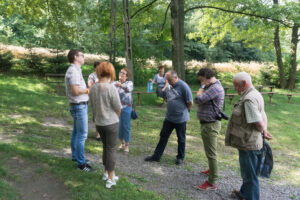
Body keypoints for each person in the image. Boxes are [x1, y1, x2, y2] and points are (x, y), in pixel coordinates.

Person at [225, 72, 273, 200]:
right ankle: (244, 194)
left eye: (236, 85)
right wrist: (264, 130)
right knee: (248, 173)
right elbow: (263, 114)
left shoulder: (249, 99)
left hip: (249, 144)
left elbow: (258, 121)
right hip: (250, 141)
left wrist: (262, 129)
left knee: (250, 175)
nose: (235, 88)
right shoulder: (256, 94)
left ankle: (251, 197)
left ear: (244, 83)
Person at [145, 70, 193, 165]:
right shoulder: (169, 85)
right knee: (163, 136)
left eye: (170, 80)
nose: (168, 81)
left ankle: (180, 157)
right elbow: (167, 97)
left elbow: (190, 102)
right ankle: (156, 156)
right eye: (167, 80)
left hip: (180, 119)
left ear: (176, 77)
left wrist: (184, 110)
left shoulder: (184, 86)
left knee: (181, 138)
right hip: (169, 117)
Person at [89, 61, 122, 189]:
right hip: (111, 123)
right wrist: (115, 116)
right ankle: (111, 178)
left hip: (99, 123)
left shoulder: (93, 87)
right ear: (110, 72)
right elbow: (118, 107)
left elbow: (92, 105)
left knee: (106, 147)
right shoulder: (110, 87)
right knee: (111, 149)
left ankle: (106, 173)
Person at [194, 68, 224, 190]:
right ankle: (212, 170)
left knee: (211, 154)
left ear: (206, 76)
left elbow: (198, 100)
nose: (202, 83)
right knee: (209, 151)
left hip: (211, 125)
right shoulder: (211, 86)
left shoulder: (214, 88)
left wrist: (200, 90)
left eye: (202, 80)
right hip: (207, 124)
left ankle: (212, 182)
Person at [65, 49, 94, 172]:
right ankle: (81, 164)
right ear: (76, 57)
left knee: (76, 133)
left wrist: (87, 88)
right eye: (82, 55)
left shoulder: (76, 70)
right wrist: (88, 90)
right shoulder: (73, 71)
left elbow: (77, 89)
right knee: (82, 135)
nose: (84, 57)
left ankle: (76, 157)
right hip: (79, 106)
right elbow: (75, 91)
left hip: (78, 105)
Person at [113, 68, 133, 153]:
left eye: (124, 73)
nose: (121, 74)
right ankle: (122, 143)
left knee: (126, 127)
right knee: (118, 127)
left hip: (126, 108)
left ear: (127, 76)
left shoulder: (129, 83)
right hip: (116, 109)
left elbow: (128, 89)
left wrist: (120, 85)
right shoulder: (114, 83)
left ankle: (127, 145)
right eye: (120, 72)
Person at [88, 61, 101, 141]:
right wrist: (97, 83)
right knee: (96, 116)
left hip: (105, 98)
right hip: (95, 98)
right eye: (97, 67)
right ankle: (97, 134)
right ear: (95, 67)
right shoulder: (92, 75)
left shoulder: (105, 75)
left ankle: (103, 133)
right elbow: (90, 86)